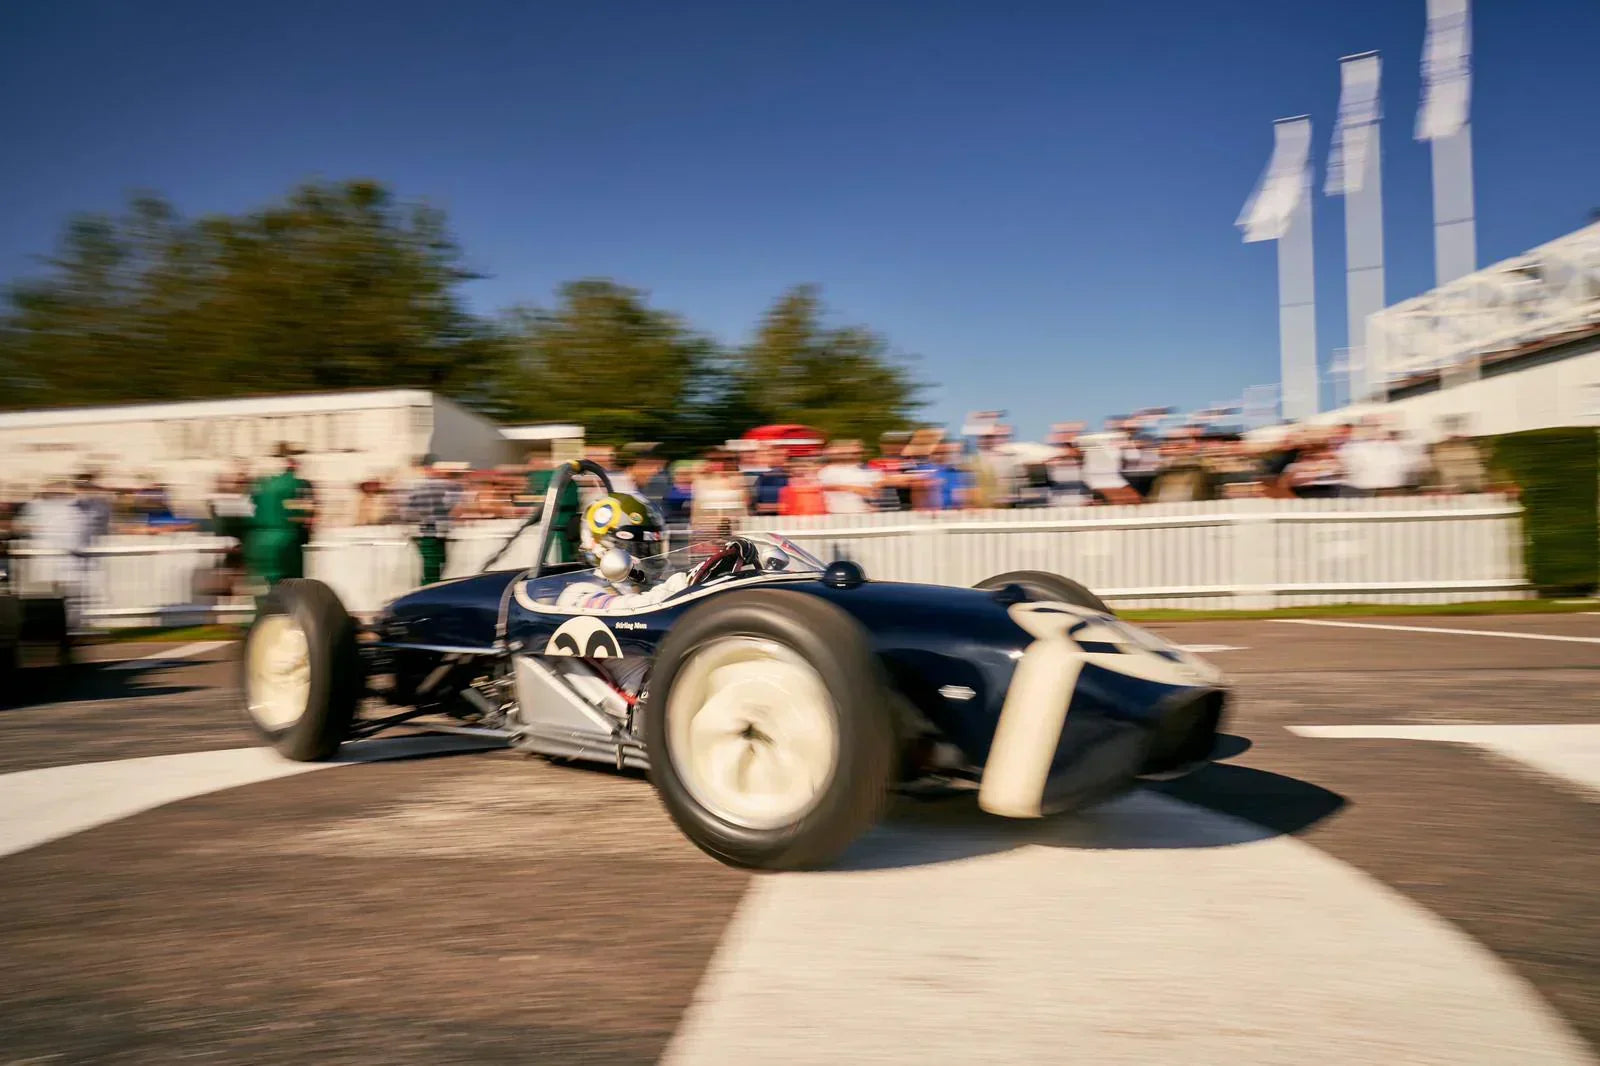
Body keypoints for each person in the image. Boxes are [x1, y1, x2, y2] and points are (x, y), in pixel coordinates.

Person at [556, 492, 691, 610]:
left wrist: (690, 581)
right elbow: (628, 609)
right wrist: (678, 590)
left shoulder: (642, 588)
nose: (650, 556)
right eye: (641, 549)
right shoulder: (578, 593)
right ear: (607, 548)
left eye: (653, 548)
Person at [246, 443, 316, 596]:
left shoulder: (260, 484)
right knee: (293, 590)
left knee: (262, 590)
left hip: (258, 541)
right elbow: (303, 517)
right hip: (286, 541)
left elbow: (250, 508)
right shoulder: (298, 485)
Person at [403, 455, 465, 586]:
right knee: (437, 565)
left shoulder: (415, 487)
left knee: (431, 566)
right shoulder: (446, 485)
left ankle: (427, 590)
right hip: (437, 531)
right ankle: (428, 592)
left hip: (425, 532)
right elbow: (457, 504)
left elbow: (407, 512)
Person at [526, 454, 582, 564]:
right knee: (548, 545)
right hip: (555, 521)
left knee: (565, 550)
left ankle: (565, 563)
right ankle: (545, 563)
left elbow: (572, 502)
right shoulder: (553, 481)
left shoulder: (570, 484)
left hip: (565, 523)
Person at [817, 440, 881, 514]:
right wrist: (852, 488)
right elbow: (822, 487)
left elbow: (875, 492)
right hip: (834, 513)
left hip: (863, 513)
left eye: (856, 453)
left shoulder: (869, 469)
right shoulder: (826, 471)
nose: (849, 454)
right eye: (843, 452)